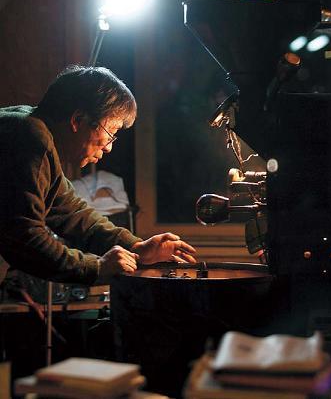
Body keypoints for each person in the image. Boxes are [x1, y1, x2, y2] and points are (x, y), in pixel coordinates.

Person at [0, 65, 196, 285]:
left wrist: (136, 247)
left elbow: (72, 212)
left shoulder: (31, 128)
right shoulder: (31, 140)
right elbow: (24, 239)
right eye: (110, 133)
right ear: (78, 120)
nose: (109, 147)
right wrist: (97, 267)